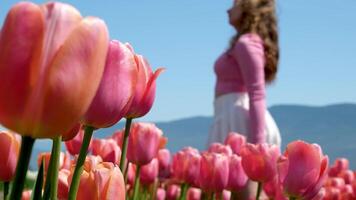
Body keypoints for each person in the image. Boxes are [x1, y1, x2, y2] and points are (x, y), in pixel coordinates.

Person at [208, 0, 281, 148]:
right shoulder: (243, 43)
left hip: (238, 122)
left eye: (234, 6)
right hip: (231, 117)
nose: (228, 11)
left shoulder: (246, 43)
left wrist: (258, 144)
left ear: (248, 9)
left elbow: (257, 94)